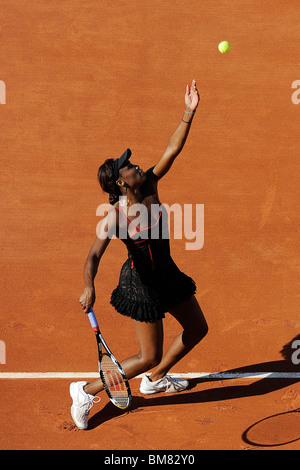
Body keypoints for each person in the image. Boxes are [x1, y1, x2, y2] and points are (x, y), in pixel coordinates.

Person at [70, 79, 208, 430]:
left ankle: (156, 379)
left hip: (167, 274)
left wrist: (188, 112)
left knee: (196, 328)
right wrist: (89, 286)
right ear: (120, 183)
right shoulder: (114, 219)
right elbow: (92, 258)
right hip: (142, 285)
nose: (136, 165)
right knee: (148, 355)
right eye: (128, 167)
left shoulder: (149, 183)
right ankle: (85, 390)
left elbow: (172, 149)